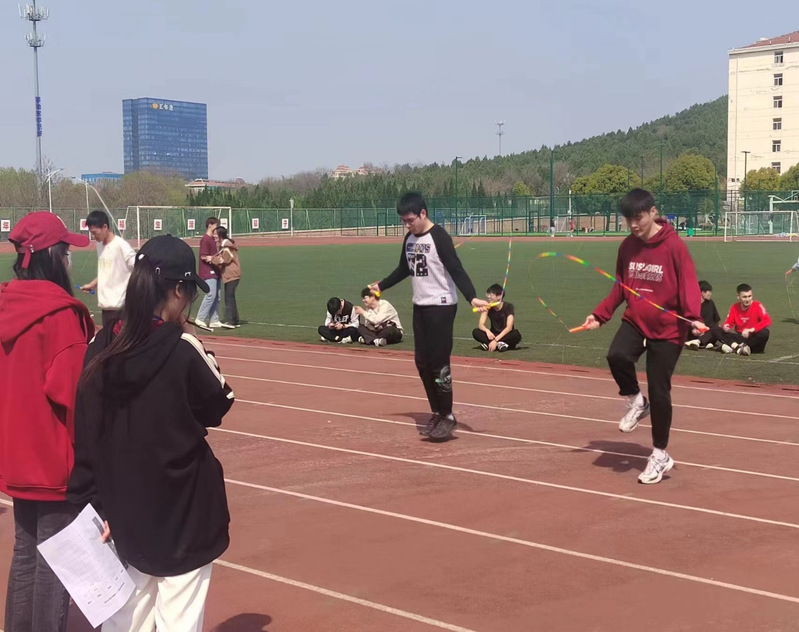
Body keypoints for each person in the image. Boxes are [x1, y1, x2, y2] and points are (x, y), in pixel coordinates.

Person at [68, 235, 234, 632]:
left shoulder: (101, 345)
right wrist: (190, 337)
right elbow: (218, 403)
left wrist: (93, 503)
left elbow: (86, 429)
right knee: (179, 618)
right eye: (189, 293)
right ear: (178, 290)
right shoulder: (182, 346)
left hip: (123, 507)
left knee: (127, 617)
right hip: (184, 509)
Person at [0, 212, 94, 632]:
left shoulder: (8, 304)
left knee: (26, 553)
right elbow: (73, 394)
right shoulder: (60, 315)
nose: (70, 260)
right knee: (57, 559)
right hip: (54, 458)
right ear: (53, 257)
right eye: (67, 252)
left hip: (16, 454)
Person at [579, 189, 704, 485]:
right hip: (636, 319)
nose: (634, 225)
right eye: (628, 219)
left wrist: (694, 317)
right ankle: (636, 400)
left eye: (638, 217)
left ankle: (660, 455)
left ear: (653, 212)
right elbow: (620, 287)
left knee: (660, 391)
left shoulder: (674, 246)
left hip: (669, 328)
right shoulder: (628, 246)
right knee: (616, 356)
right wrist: (600, 315)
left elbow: (688, 284)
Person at [369, 192, 490, 441]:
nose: (407, 225)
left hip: (441, 306)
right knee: (422, 362)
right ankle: (437, 412)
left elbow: (456, 268)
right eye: (403, 221)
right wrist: (381, 285)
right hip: (420, 306)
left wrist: (471, 297)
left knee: (438, 362)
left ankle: (448, 415)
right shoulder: (409, 239)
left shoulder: (440, 237)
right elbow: (404, 268)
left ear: (423, 213)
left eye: (410, 220)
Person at [80, 210, 135, 328]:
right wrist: (93, 284)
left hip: (121, 308)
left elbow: (138, 268)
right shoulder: (99, 245)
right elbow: (107, 270)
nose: (93, 236)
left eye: (95, 233)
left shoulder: (121, 245)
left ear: (105, 227)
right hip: (106, 307)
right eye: (91, 233)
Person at [719, 283, 771, 355]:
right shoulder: (734, 307)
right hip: (741, 337)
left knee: (765, 332)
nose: (747, 299)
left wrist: (751, 330)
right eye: (744, 297)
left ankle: (736, 347)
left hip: (754, 339)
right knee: (717, 329)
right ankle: (738, 348)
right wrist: (726, 326)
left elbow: (767, 321)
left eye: (749, 296)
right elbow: (729, 322)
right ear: (738, 297)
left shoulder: (757, 305)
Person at [472, 283, 522, 351]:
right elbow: (481, 324)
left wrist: (496, 340)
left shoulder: (508, 306)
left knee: (516, 335)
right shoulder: (488, 307)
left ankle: (490, 344)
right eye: (488, 294)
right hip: (493, 334)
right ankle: (500, 345)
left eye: (491, 295)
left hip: (506, 335)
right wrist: (487, 331)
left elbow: (509, 327)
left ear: (499, 296)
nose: (488, 297)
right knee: (476, 332)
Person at [196, 217, 223, 328]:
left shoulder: (213, 239)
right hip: (208, 271)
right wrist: (211, 259)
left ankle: (214, 319)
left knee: (217, 296)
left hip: (216, 271)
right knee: (211, 295)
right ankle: (200, 318)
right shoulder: (205, 239)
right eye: (216, 225)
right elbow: (203, 256)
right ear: (210, 225)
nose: (217, 228)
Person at [212, 225, 240, 328]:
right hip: (230, 275)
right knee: (230, 297)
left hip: (232, 274)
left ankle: (233, 320)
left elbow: (224, 260)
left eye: (215, 234)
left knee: (229, 297)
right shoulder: (223, 246)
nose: (214, 236)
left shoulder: (227, 247)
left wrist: (211, 259)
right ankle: (234, 320)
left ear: (220, 235)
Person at [684, 280, 723, 350]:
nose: (710, 294)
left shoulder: (711, 303)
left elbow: (716, 320)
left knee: (717, 330)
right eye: (709, 292)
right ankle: (703, 342)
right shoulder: (691, 304)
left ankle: (699, 342)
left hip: (709, 332)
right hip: (695, 332)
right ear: (702, 292)